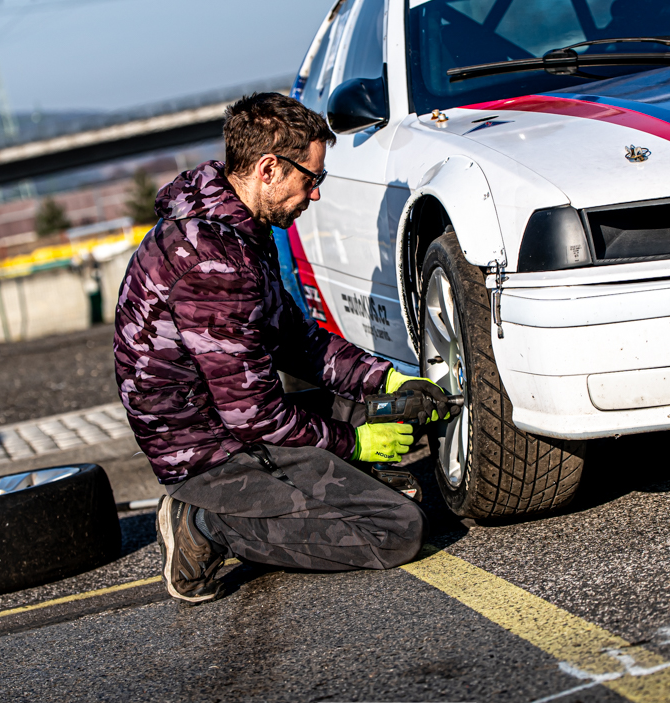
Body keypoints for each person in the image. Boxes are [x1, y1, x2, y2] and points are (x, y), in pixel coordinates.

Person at [113, 92, 443, 604]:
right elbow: (255, 416)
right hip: (211, 454)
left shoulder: (239, 229)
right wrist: (354, 445)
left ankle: (320, 486)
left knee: (386, 412)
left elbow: (297, 341)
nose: (316, 193)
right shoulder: (212, 263)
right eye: (311, 178)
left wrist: (387, 380)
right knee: (397, 529)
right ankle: (202, 522)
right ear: (268, 169)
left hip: (235, 423)